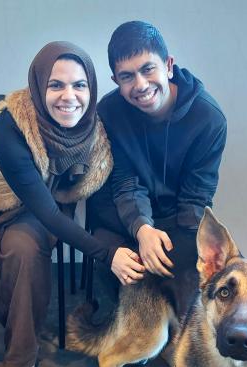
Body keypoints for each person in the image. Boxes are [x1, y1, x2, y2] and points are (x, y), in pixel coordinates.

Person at [0, 41, 144, 367]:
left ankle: (21, 352)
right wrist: (107, 254)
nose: (69, 96)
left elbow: (106, 188)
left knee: (24, 250)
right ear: (37, 86)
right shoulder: (10, 124)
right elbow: (48, 211)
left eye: (79, 85)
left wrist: (141, 229)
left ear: (91, 89)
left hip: (30, 205)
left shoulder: (94, 131)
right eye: (56, 85)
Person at [88, 21, 227, 325]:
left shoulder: (209, 119)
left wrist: (177, 250)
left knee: (197, 268)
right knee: (120, 263)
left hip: (178, 216)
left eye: (148, 69)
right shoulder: (109, 112)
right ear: (115, 79)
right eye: (127, 76)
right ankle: (119, 331)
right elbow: (125, 182)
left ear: (168, 65)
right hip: (122, 215)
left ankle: (177, 338)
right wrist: (142, 230)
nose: (139, 85)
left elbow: (197, 197)